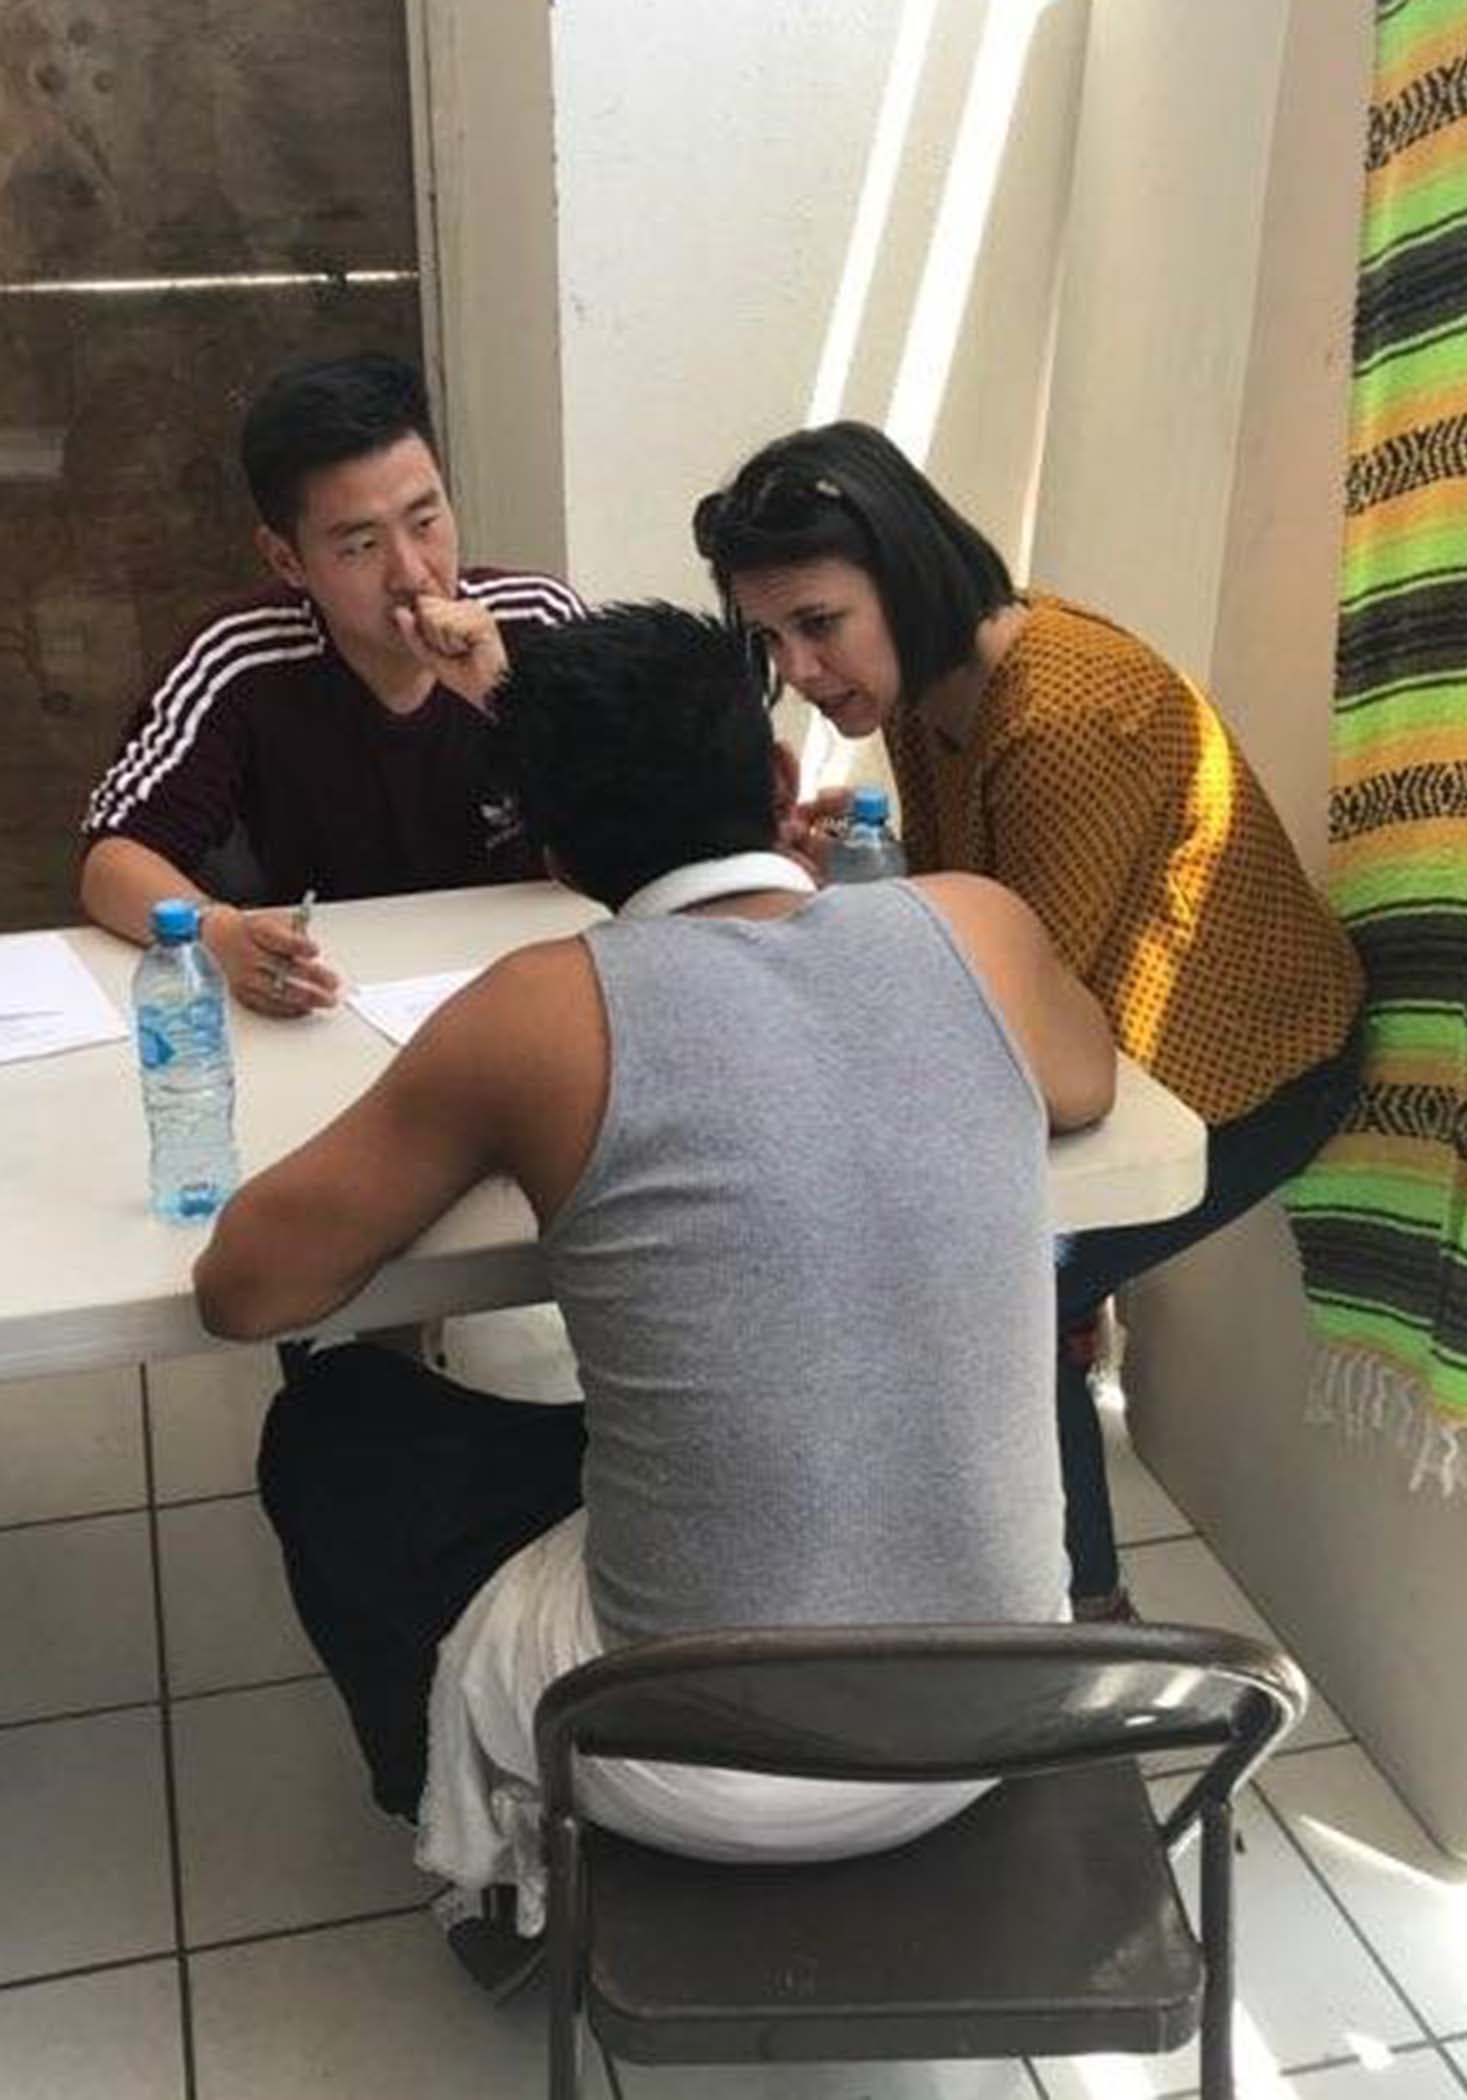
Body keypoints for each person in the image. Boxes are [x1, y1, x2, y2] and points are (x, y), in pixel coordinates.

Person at [193, 601, 1114, 1999]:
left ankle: (486, 1869)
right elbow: (1086, 1083)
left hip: (699, 1767)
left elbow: (246, 1290)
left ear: (553, 852)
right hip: (997, 1713)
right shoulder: (972, 927)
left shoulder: (536, 1011)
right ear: (773, 788)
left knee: (335, 1428)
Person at [694, 420, 1366, 1620]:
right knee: (964, 1244)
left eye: (818, 624)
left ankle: (1085, 1622)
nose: (797, 668)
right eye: (772, 638)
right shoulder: (931, 684)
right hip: (1124, 1046)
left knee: (998, 1270)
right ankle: (1013, 1560)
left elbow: (1015, 1014)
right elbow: (974, 926)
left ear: (900, 576)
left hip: (1254, 1069)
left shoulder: (1060, 720)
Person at [78, 353, 585, 1018]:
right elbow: (113, 858)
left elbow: (644, 825)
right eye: (359, 547)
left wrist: (504, 696)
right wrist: (218, 933)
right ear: (287, 559)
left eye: (426, 521)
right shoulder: (240, 657)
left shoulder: (535, 620)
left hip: (532, 989)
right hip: (335, 1000)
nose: (413, 574)